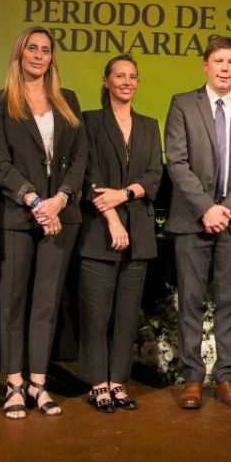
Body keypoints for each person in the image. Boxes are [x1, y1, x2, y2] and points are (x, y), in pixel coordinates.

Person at [164, 35, 231, 410]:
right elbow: (176, 162)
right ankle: (192, 379)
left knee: (229, 304)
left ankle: (225, 376)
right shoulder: (182, 105)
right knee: (190, 302)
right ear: (205, 65)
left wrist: (227, 209)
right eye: (218, 62)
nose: (225, 68)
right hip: (193, 221)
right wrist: (207, 208)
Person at [0, 26, 87, 418]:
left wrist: (60, 199)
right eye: (32, 48)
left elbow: (80, 158)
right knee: (13, 303)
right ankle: (13, 384)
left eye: (46, 50)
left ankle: (38, 384)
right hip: (18, 215)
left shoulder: (68, 101)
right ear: (20, 53)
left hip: (60, 216)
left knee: (46, 305)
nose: (39, 55)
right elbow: (1, 162)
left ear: (52, 58)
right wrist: (34, 200)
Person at [77, 56, 162, 413]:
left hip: (139, 233)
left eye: (132, 76)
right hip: (99, 231)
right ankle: (97, 383)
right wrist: (112, 217)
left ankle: (117, 382)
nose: (126, 82)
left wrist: (125, 194)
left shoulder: (148, 125)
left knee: (127, 314)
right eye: (119, 76)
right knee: (97, 314)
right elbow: (88, 175)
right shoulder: (90, 122)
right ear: (106, 81)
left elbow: (155, 173)